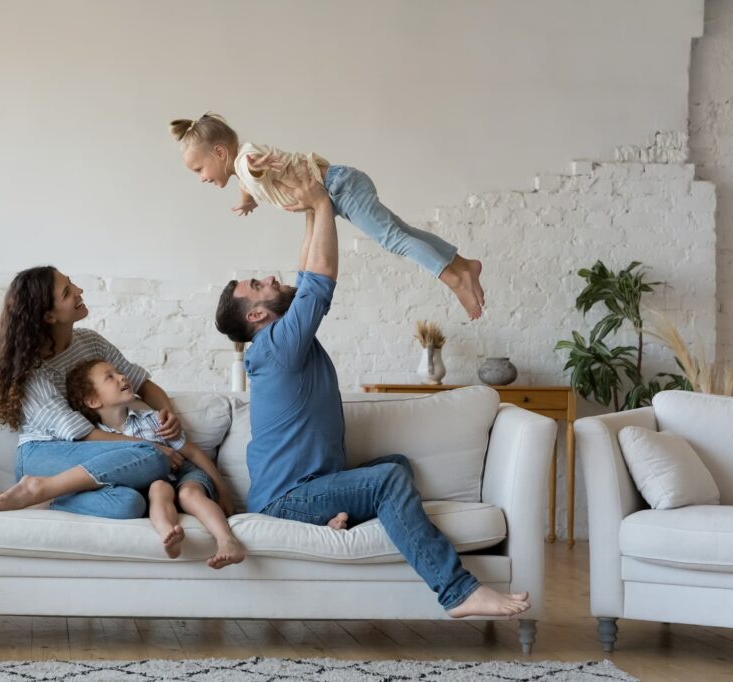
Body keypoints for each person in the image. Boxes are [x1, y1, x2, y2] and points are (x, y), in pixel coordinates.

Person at [213, 165, 531, 618]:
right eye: (258, 286)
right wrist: (322, 204)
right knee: (386, 482)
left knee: (396, 466)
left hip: (310, 489)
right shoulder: (277, 345)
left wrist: (311, 207)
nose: (269, 279)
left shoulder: (278, 339)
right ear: (256, 315)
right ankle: (457, 591)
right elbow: (319, 282)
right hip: (287, 500)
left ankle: (338, 518)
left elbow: (305, 278)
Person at [171, 112, 486, 320]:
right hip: (340, 188)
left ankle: (454, 278)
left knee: (394, 239)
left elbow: (251, 166)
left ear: (221, 153)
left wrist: (255, 166)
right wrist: (248, 202)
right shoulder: (241, 174)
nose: (200, 177)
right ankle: (463, 264)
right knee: (400, 231)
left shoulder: (245, 162)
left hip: (340, 187)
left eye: (199, 169)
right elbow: (249, 184)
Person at [0, 266, 181, 520]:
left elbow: (142, 384)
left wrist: (168, 415)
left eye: (72, 284)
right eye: (68, 292)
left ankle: (37, 498)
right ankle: (36, 486)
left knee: (130, 504)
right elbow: (83, 434)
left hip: (87, 453)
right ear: (49, 316)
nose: (79, 291)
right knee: (153, 457)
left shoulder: (91, 341)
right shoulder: (31, 370)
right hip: (43, 454)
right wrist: (151, 446)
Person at [58, 359, 245, 569]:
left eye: (119, 372)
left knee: (189, 494)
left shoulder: (152, 420)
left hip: (184, 474)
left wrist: (224, 490)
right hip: (155, 485)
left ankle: (227, 541)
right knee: (158, 489)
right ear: (93, 401)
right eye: (109, 377)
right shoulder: (99, 440)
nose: (122, 376)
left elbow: (192, 453)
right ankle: (169, 534)